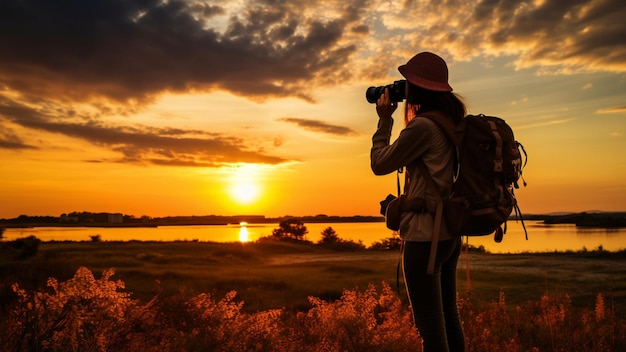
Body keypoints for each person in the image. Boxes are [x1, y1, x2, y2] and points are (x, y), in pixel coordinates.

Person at [370, 52, 466, 352]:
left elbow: (379, 163)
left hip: (425, 238)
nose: (402, 87)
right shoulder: (450, 123)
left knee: (431, 329)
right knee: (449, 320)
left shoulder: (424, 127)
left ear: (419, 88)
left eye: (407, 82)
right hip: (447, 235)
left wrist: (384, 121)